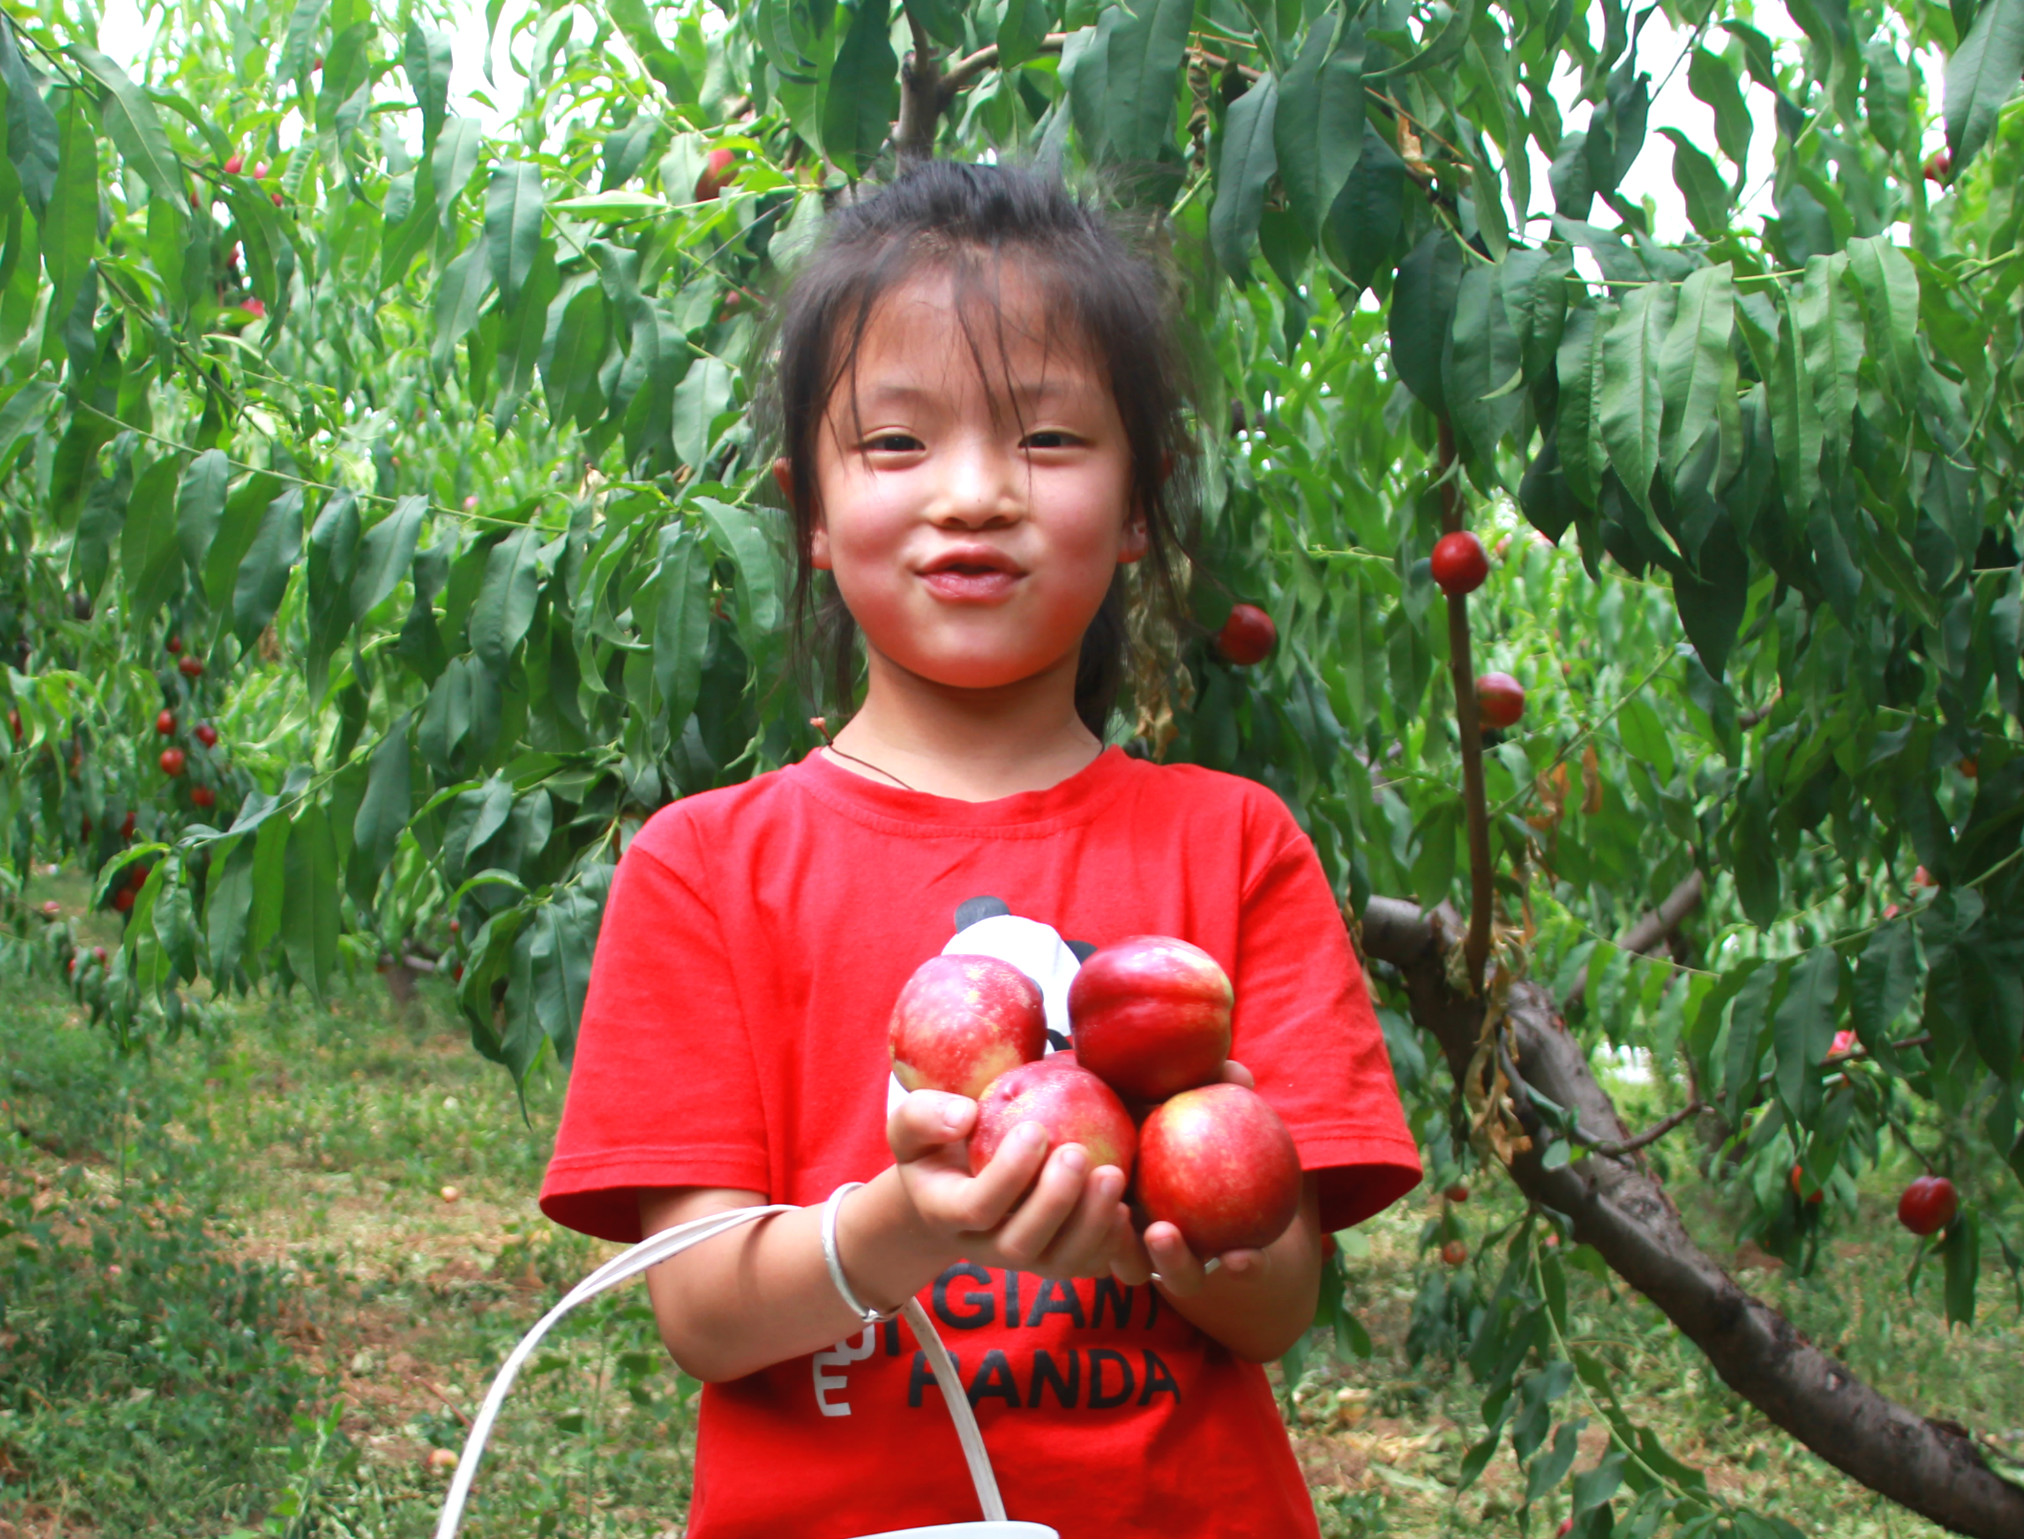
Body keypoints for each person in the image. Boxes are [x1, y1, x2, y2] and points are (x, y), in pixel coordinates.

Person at [540, 161, 1421, 1538]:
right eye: (895, 445)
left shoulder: (1235, 847)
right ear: (812, 516)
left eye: (1049, 443)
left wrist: (1175, 1232)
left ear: (1143, 503)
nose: (972, 495)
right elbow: (705, 1315)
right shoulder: (706, 868)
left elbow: (1281, 1301)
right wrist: (914, 1220)